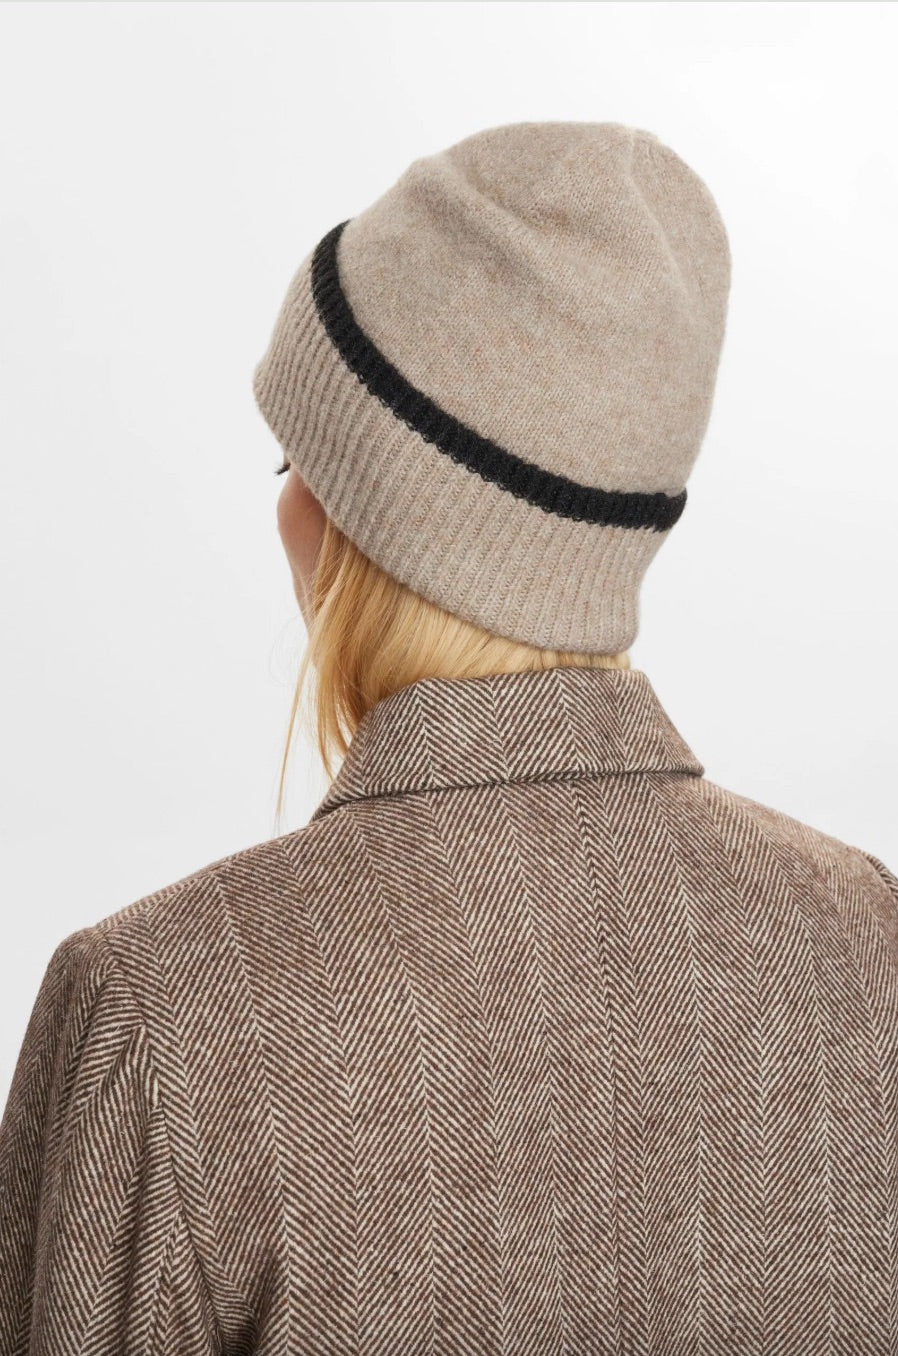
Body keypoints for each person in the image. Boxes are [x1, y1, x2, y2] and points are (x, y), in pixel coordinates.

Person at [1, 120, 896, 1356]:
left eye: (293, 458)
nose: (284, 509)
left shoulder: (159, 1011)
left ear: (364, 512)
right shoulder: (866, 944)